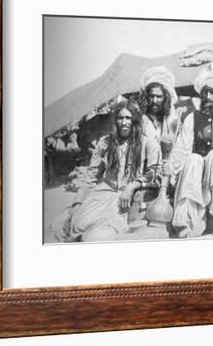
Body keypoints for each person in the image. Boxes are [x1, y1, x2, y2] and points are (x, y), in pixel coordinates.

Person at [59, 99, 160, 242]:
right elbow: (90, 177)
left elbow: (154, 173)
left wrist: (132, 186)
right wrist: (78, 203)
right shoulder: (105, 143)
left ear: (135, 120)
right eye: (120, 118)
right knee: (78, 226)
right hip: (101, 195)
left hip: (122, 200)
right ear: (115, 120)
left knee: (98, 235)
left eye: (128, 118)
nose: (124, 122)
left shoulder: (147, 143)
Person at [167, 64, 213, 238]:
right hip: (199, 169)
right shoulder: (193, 118)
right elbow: (182, 148)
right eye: (205, 92)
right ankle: (185, 220)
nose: (208, 97)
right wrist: (172, 171)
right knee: (193, 158)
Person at [138, 66, 179, 145]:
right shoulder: (140, 118)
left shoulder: (169, 120)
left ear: (165, 98)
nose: (154, 101)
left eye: (159, 96)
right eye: (151, 96)